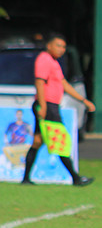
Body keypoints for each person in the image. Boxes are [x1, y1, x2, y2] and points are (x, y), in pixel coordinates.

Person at [20, 33, 96, 186]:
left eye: (63, 47)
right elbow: (40, 83)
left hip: (50, 105)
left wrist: (83, 101)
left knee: (37, 141)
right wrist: (43, 106)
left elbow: (64, 84)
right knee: (60, 140)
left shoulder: (54, 63)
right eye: (58, 46)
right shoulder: (44, 59)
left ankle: (26, 179)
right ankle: (76, 178)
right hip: (47, 106)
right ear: (49, 46)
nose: (61, 49)